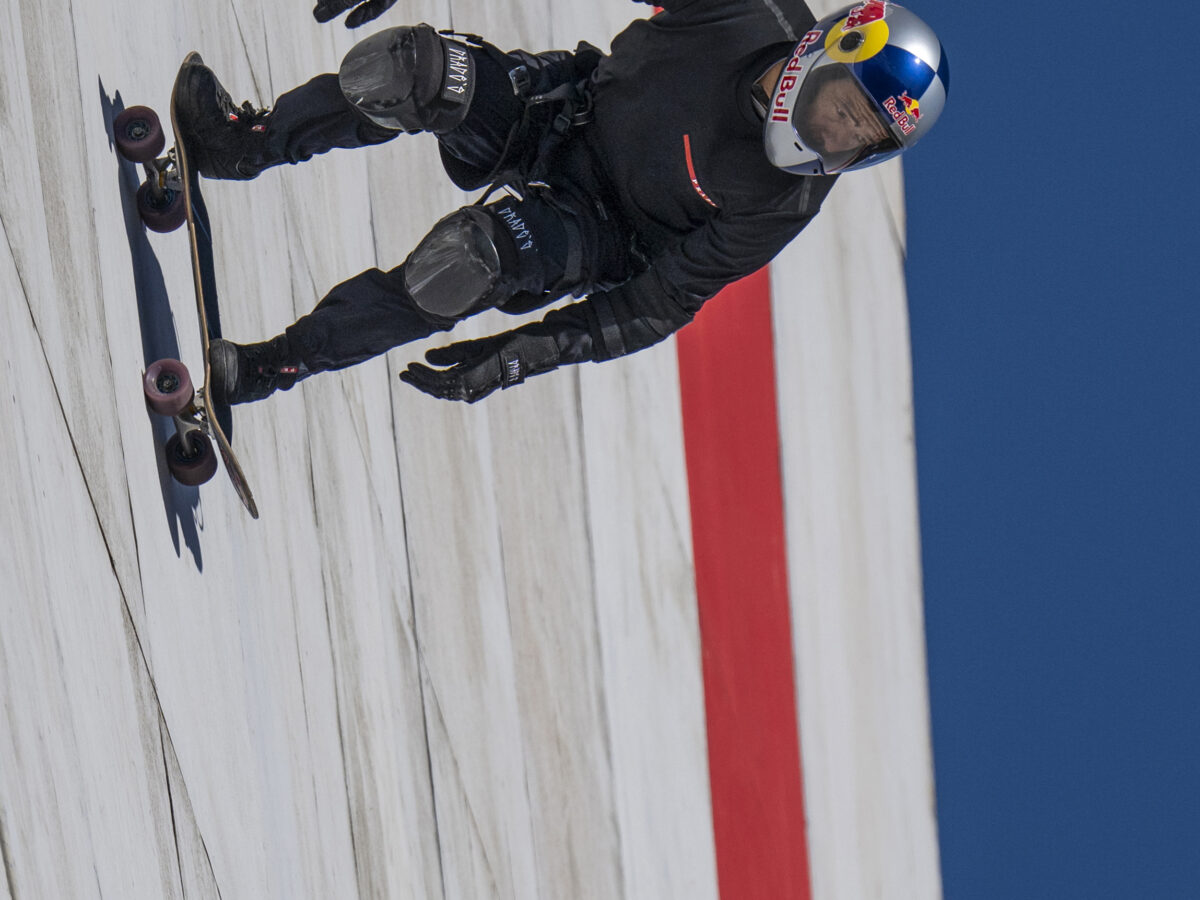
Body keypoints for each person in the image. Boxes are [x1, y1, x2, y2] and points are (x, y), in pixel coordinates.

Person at [177, 0, 949, 404]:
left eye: (865, 138)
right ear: (823, 50)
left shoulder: (787, 202)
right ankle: (242, 143)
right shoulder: (747, 8)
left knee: (462, 265)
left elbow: (659, 303)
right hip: (558, 112)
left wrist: (525, 354)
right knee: (410, 69)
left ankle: (275, 364)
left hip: (597, 232)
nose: (839, 134)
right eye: (849, 106)